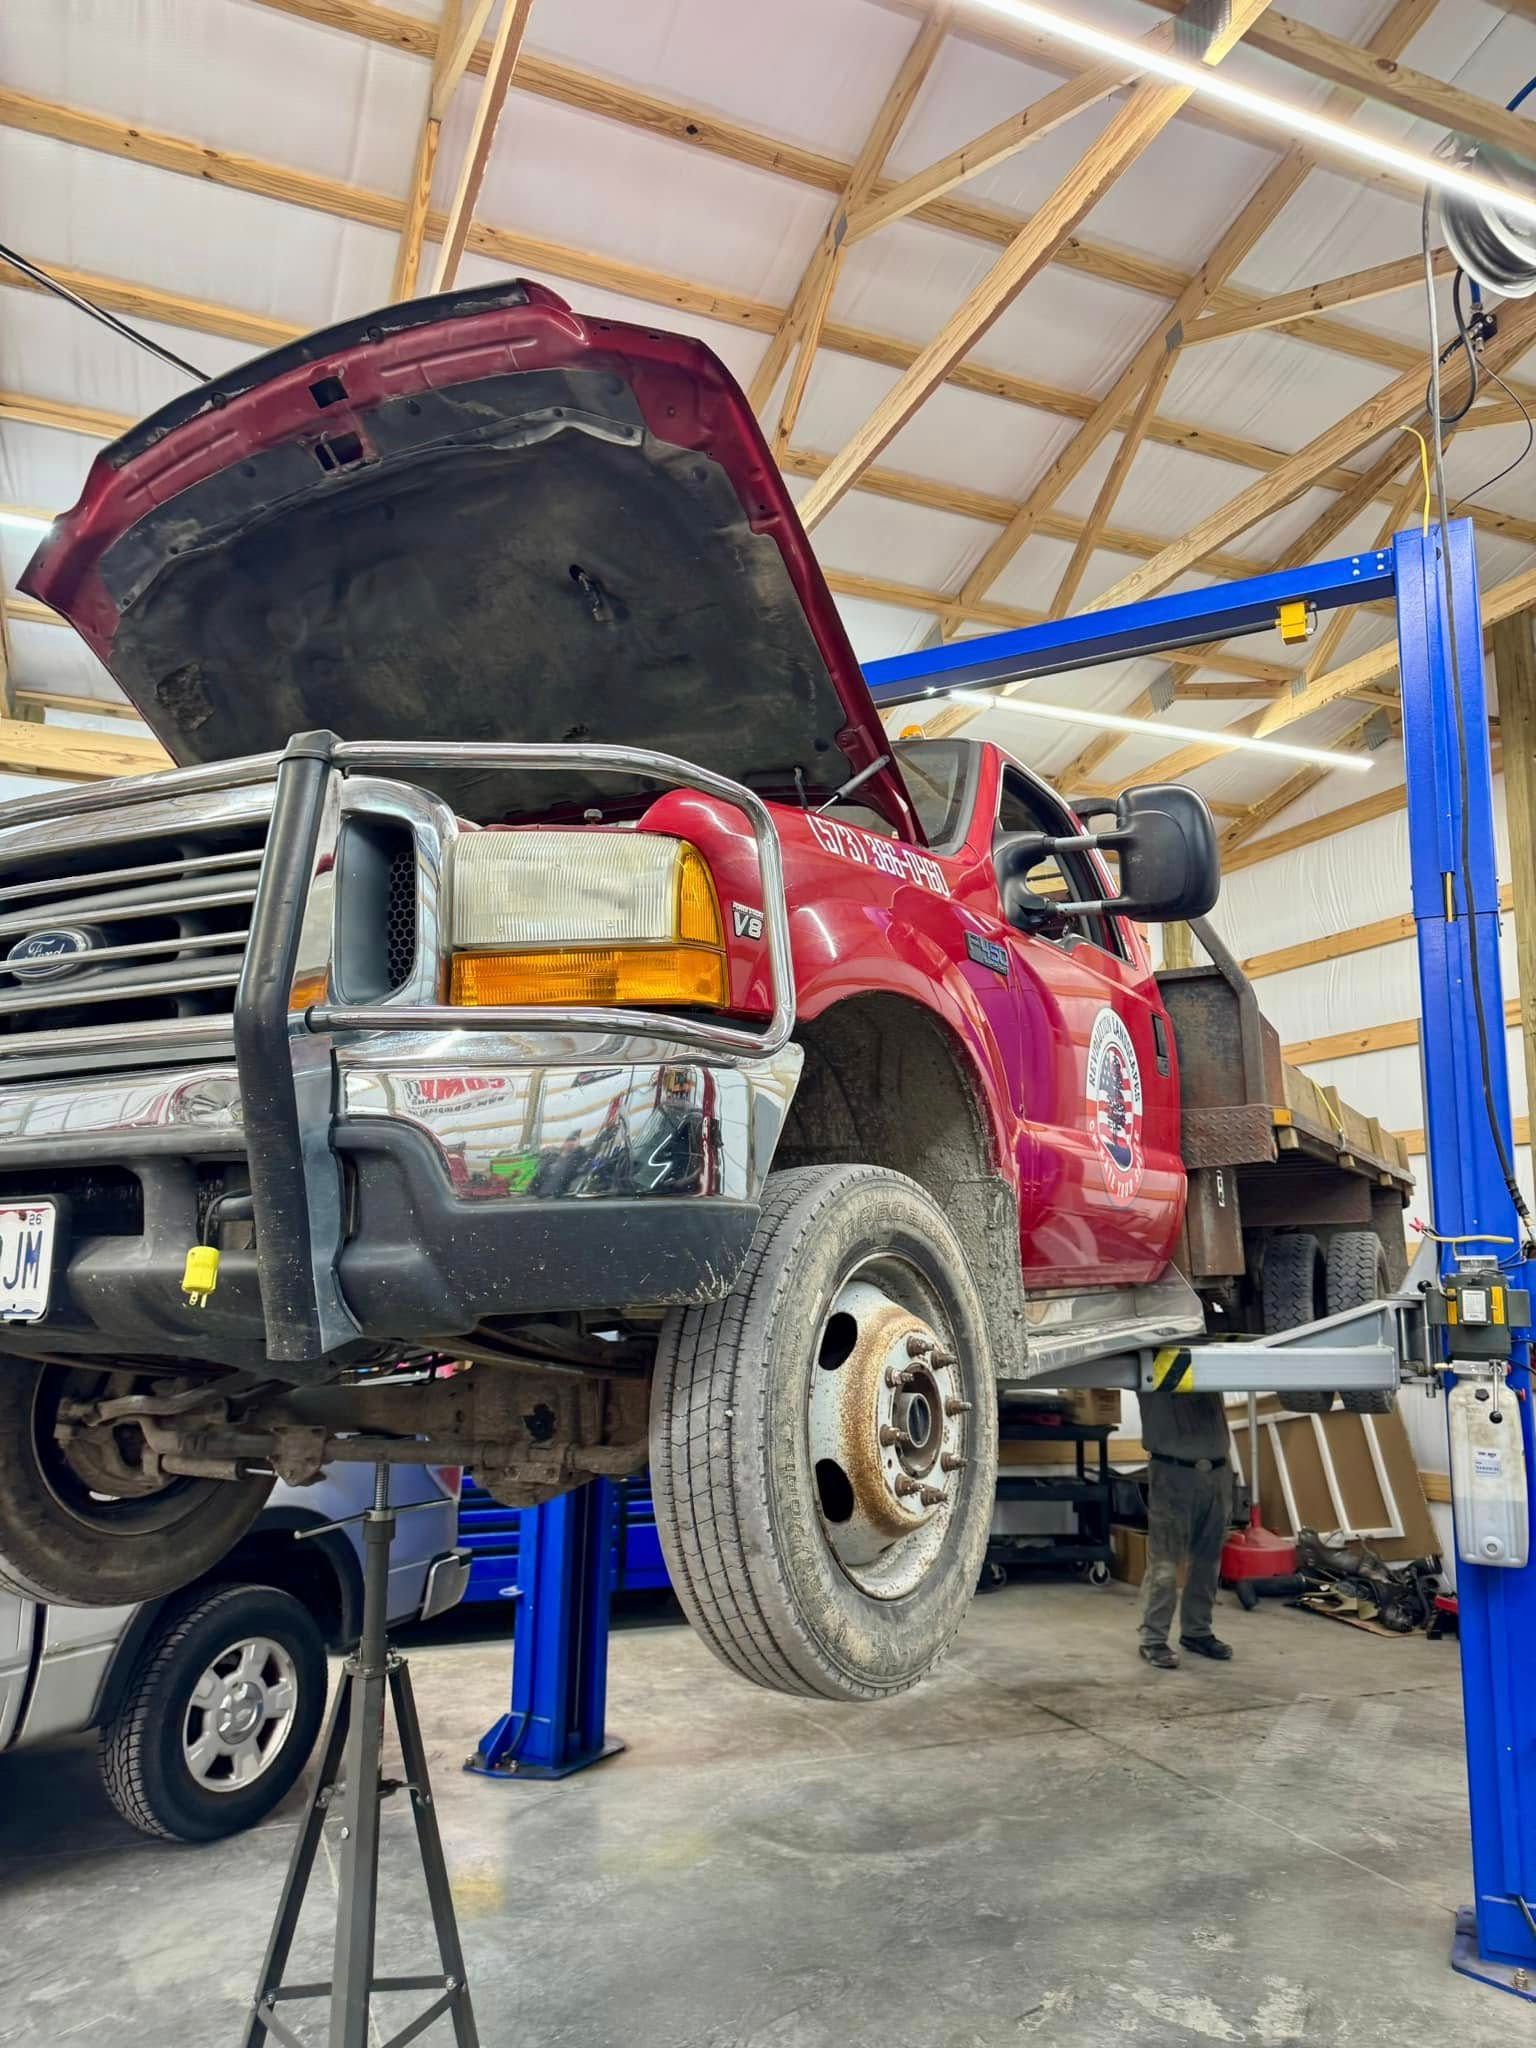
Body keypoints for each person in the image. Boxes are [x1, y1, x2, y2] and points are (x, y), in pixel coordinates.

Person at [1137, 1386, 1234, 1669]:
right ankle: (1153, 1638)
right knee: (1165, 1562)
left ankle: (1197, 1632)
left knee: (1208, 1559)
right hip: (1172, 1472)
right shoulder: (1151, 1359)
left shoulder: (1207, 1356)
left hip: (1217, 1472)